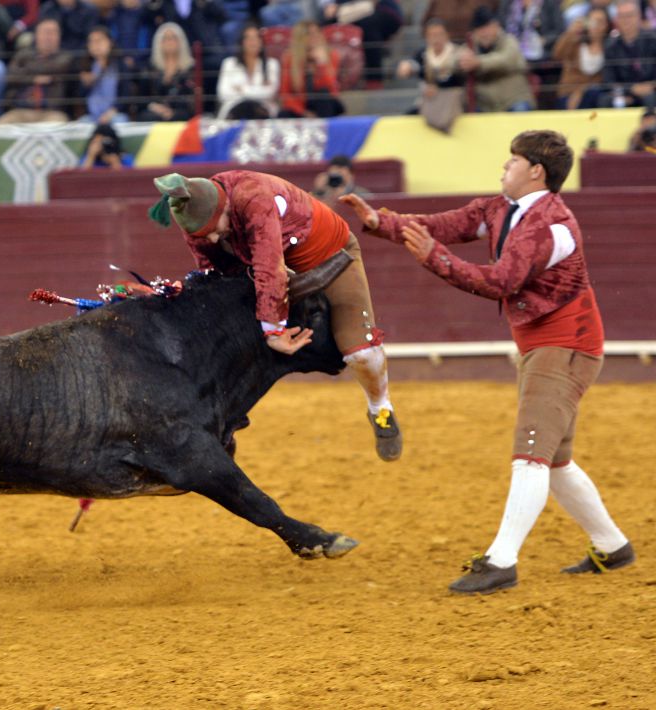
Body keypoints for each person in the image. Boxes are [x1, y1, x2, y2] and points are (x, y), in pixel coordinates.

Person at [340, 130, 635, 595]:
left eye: (512, 161)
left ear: (536, 171)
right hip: (545, 345)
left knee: (530, 453)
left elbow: (501, 281)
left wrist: (435, 259)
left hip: (566, 346)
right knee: (553, 460)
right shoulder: (501, 209)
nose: (504, 167)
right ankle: (612, 545)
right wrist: (382, 221)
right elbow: (442, 225)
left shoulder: (553, 226)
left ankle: (502, 560)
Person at [148, 170, 402, 463]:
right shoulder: (197, 214)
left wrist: (273, 330)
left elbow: (271, 266)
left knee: (362, 354)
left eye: (213, 230)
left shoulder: (252, 196)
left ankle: (380, 407)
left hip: (329, 258)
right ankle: (226, 421)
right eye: (204, 234)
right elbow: (213, 270)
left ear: (224, 207)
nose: (213, 238)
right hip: (258, 270)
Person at [458, 6, 536, 112]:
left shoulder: (509, 41)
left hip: (513, 101)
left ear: (496, 26)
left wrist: (478, 62)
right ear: (474, 32)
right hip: (486, 106)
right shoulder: (471, 46)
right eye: (480, 29)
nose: (484, 33)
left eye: (487, 28)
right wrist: (461, 60)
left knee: (520, 112)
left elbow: (505, 59)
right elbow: (455, 60)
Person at [0, 17, 71, 123]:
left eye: (52, 33)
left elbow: (56, 68)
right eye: (44, 33)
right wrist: (33, 78)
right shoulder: (23, 54)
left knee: (53, 130)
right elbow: (11, 75)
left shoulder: (66, 57)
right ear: (36, 35)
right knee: (0, 128)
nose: (48, 37)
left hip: (52, 112)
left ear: (59, 36)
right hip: (20, 110)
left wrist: (25, 72)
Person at [396, 17, 465, 131]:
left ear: (447, 35)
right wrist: (407, 66)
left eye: (439, 34)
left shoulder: (458, 53)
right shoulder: (423, 54)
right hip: (429, 102)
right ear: (426, 37)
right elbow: (413, 65)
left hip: (452, 103)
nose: (436, 39)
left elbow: (460, 74)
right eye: (432, 35)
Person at [278, 20, 344, 118]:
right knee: (284, 114)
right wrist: (303, 112)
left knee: (323, 94)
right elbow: (285, 94)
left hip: (326, 104)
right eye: (309, 34)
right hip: (301, 107)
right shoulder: (289, 58)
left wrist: (322, 64)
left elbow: (332, 90)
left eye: (317, 32)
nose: (315, 36)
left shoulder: (332, 55)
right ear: (300, 38)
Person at [215, 22, 280, 120]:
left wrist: (242, 89)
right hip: (234, 110)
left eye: (256, 38)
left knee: (253, 109)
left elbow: (270, 92)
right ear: (242, 42)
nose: (252, 42)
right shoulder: (229, 63)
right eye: (248, 38)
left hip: (262, 111)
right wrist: (258, 90)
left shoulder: (272, 64)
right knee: (244, 108)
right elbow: (223, 93)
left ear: (261, 42)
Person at [599, 0, 656, 109]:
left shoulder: (652, 40)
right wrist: (630, 89)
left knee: (650, 98)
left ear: (639, 16)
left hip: (650, 90)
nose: (626, 21)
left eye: (629, 16)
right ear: (616, 20)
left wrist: (651, 86)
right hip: (624, 92)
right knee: (605, 100)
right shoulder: (610, 46)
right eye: (621, 16)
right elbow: (608, 80)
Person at [135, 21, 194, 121]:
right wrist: (156, 107)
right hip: (155, 113)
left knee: (181, 116)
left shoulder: (191, 68)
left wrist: (171, 111)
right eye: (166, 39)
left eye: (173, 38)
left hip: (180, 112)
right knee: (148, 116)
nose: (170, 42)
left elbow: (191, 99)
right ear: (159, 43)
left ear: (181, 42)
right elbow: (141, 99)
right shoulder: (149, 68)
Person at [77, 25, 134, 123]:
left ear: (110, 43)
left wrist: (112, 112)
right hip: (91, 116)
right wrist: (87, 84)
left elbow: (126, 94)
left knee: (120, 122)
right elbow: (78, 96)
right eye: (92, 42)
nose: (96, 45)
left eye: (99, 40)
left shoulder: (120, 65)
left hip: (114, 114)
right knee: (81, 125)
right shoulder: (85, 66)